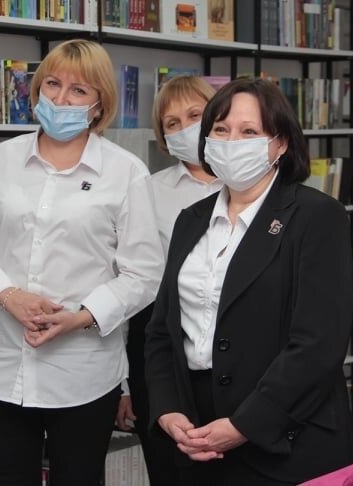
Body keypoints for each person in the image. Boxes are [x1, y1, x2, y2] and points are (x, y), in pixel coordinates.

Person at [0, 38, 164, 486]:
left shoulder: (126, 172)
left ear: (99, 103)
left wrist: (81, 317)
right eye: (52, 84)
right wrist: (9, 296)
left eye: (78, 90)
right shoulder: (0, 160)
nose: (61, 99)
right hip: (2, 366)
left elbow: (143, 273)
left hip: (83, 373)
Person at [145, 77, 353, 485]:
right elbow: (161, 331)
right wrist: (168, 409)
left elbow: (318, 344)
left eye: (248, 132)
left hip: (287, 435)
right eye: (221, 130)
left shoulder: (317, 216)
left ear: (280, 144)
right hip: (197, 435)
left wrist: (244, 425)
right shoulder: (191, 220)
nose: (231, 142)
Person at [116, 75, 222, 486]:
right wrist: (124, 383)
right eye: (172, 123)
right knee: (170, 469)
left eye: (195, 115)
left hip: (237, 353)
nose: (184, 129)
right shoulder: (148, 191)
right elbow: (132, 284)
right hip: (163, 353)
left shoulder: (254, 186)